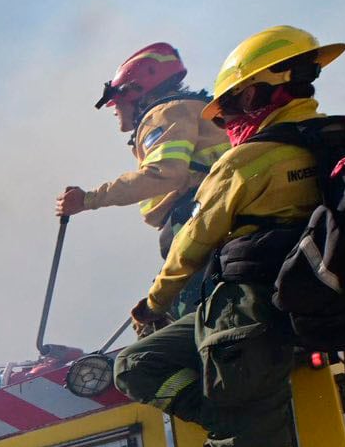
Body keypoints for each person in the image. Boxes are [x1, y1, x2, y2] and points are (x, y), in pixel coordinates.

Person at [112, 26, 345, 447]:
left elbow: (193, 240)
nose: (226, 117)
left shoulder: (249, 159)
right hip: (324, 292)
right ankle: (227, 439)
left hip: (253, 295)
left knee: (232, 391)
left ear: (258, 90)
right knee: (216, 379)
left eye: (234, 101)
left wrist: (152, 304)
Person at [57, 42, 229, 276]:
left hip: (201, 215)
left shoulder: (163, 114)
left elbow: (164, 174)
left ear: (134, 91)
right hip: (218, 207)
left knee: (180, 305)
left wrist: (88, 199)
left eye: (116, 100)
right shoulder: (191, 108)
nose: (114, 108)